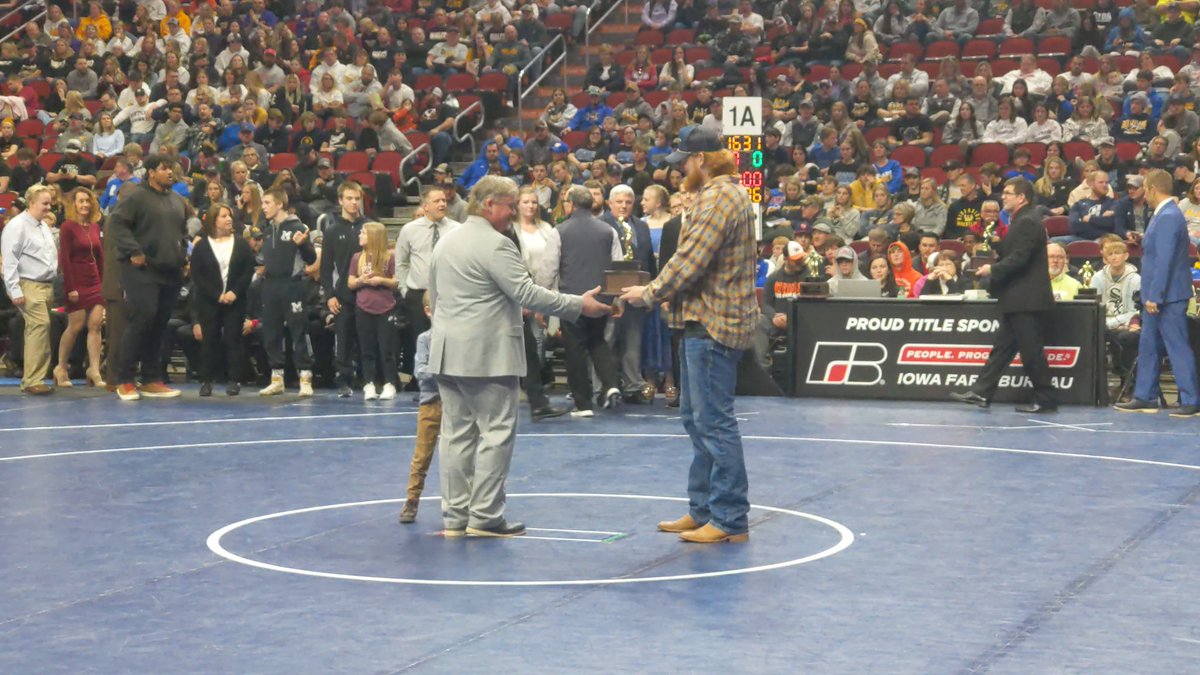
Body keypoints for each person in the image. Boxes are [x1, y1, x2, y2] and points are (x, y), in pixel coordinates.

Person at [428, 176, 610, 538]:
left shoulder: (445, 242)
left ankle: (454, 517)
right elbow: (527, 293)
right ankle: (484, 516)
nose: (514, 212)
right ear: (488, 205)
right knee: (496, 432)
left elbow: (433, 300)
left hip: (448, 353)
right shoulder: (496, 245)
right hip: (488, 356)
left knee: (456, 435)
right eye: (510, 205)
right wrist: (579, 305)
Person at [619, 127, 758, 544]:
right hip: (700, 320)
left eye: (683, 163)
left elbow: (690, 260)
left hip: (712, 324)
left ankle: (730, 519)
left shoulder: (720, 197)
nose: (680, 171)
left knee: (714, 422)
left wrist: (650, 292)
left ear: (701, 160)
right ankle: (704, 510)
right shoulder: (720, 196)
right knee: (696, 419)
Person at [951, 177, 1056, 413]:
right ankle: (981, 392)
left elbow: (1020, 258)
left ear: (1022, 197)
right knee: (1002, 349)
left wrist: (992, 269)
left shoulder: (1027, 221)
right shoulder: (1021, 220)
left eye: (1008, 193)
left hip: (1025, 299)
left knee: (1031, 352)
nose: (1003, 196)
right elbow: (1017, 252)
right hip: (1018, 298)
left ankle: (1046, 398)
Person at [1115, 169, 1200, 417]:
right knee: (1148, 344)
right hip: (1156, 293)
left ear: (1152, 188)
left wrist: (1156, 296)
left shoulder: (1168, 216)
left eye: (1145, 189)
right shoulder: (1164, 214)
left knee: (1176, 346)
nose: (1143, 194)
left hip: (1166, 296)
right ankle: (1145, 396)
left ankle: (1191, 400)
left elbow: (1165, 260)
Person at [107, 155, 189, 401]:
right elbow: (117, 225)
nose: (170, 173)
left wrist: (183, 257)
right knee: (142, 318)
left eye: (171, 168)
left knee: (160, 323)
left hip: (170, 270)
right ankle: (125, 379)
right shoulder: (136, 196)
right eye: (164, 168)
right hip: (142, 269)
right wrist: (134, 251)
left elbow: (183, 233)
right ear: (151, 172)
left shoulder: (176, 200)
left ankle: (152, 378)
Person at [556, 185, 624, 417]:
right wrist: (618, 301)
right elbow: (618, 266)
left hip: (571, 299)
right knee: (598, 341)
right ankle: (611, 382)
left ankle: (583, 404)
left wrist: (542, 303)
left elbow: (548, 268)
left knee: (575, 349)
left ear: (571, 204)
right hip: (601, 299)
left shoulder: (559, 231)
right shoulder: (608, 231)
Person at [396, 187, 460, 387]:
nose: (442, 204)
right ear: (425, 206)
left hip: (448, 293)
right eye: (437, 201)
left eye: (443, 200)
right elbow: (401, 263)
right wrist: (405, 290)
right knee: (419, 340)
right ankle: (422, 382)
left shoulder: (457, 229)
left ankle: (450, 380)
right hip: (417, 293)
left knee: (450, 337)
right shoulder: (409, 230)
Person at [190, 202, 255, 396]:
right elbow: (197, 275)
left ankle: (234, 379)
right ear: (213, 220)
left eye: (229, 215)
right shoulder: (201, 246)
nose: (228, 219)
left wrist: (234, 292)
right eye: (223, 216)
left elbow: (247, 270)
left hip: (235, 299)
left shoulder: (241, 243)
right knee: (210, 340)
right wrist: (216, 294)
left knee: (234, 339)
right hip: (210, 301)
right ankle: (207, 380)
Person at [258, 188, 317, 397]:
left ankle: (305, 377)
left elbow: (310, 260)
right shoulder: (266, 230)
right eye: (262, 203)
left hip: (292, 285)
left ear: (279, 204)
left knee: (298, 330)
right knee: (271, 333)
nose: (263, 207)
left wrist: (304, 245)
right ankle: (277, 378)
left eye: (267, 202)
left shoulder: (298, 227)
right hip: (270, 286)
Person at [1, 186, 58, 395]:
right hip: (29, 284)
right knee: (39, 326)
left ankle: (36, 378)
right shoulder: (17, 227)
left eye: (50, 203)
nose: (48, 207)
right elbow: (9, 261)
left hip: (45, 286)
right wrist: (14, 290)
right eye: (44, 203)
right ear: (31, 203)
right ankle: (32, 380)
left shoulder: (42, 226)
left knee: (39, 329)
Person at [318, 181, 367, 397]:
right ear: (340, 201)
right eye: (349, 198)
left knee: (367, 338)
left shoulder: (370, 227)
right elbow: (326, 268)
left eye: (357, 198)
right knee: (344, 339)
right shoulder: (331, 231)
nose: (354, 202)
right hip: (344, 293)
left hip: (368, 291)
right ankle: (344, 380)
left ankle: (369, 378)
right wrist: (329, 296)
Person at [55, 188, 106, 388]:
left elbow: (100, 258)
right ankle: (60, 367)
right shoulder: (67, 227)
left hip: (95, 283)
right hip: (76, 283)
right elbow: (65, 260)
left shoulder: (94, 226)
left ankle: (94, 369)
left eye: (87, 201)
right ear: (74, 204)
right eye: (80, 201)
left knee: (95, 325)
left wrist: (104, 284)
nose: (84, 204)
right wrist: (70, 288)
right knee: (75, 326)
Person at [399, 292, 439, 524]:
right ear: (428, 311)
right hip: (431, 403)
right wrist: (444, 369)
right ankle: (412, 499)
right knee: (422, 455)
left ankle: (464, 501)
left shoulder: (456, 337)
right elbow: (420, 372)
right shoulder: (425, 339)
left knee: (462, 455)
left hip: (456, 405)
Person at [349, 222, 400, 401]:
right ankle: (368, 383)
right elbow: (350, 282)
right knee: (366, 348)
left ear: (373, 236)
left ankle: (389, 383)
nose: (359, 235)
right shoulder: (357, 257)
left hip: (385, 308)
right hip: (363, 307)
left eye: (363, 233)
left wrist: (381, 280)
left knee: (386, 349)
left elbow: (395, 282)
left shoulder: (389, 257)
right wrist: (361, 280)